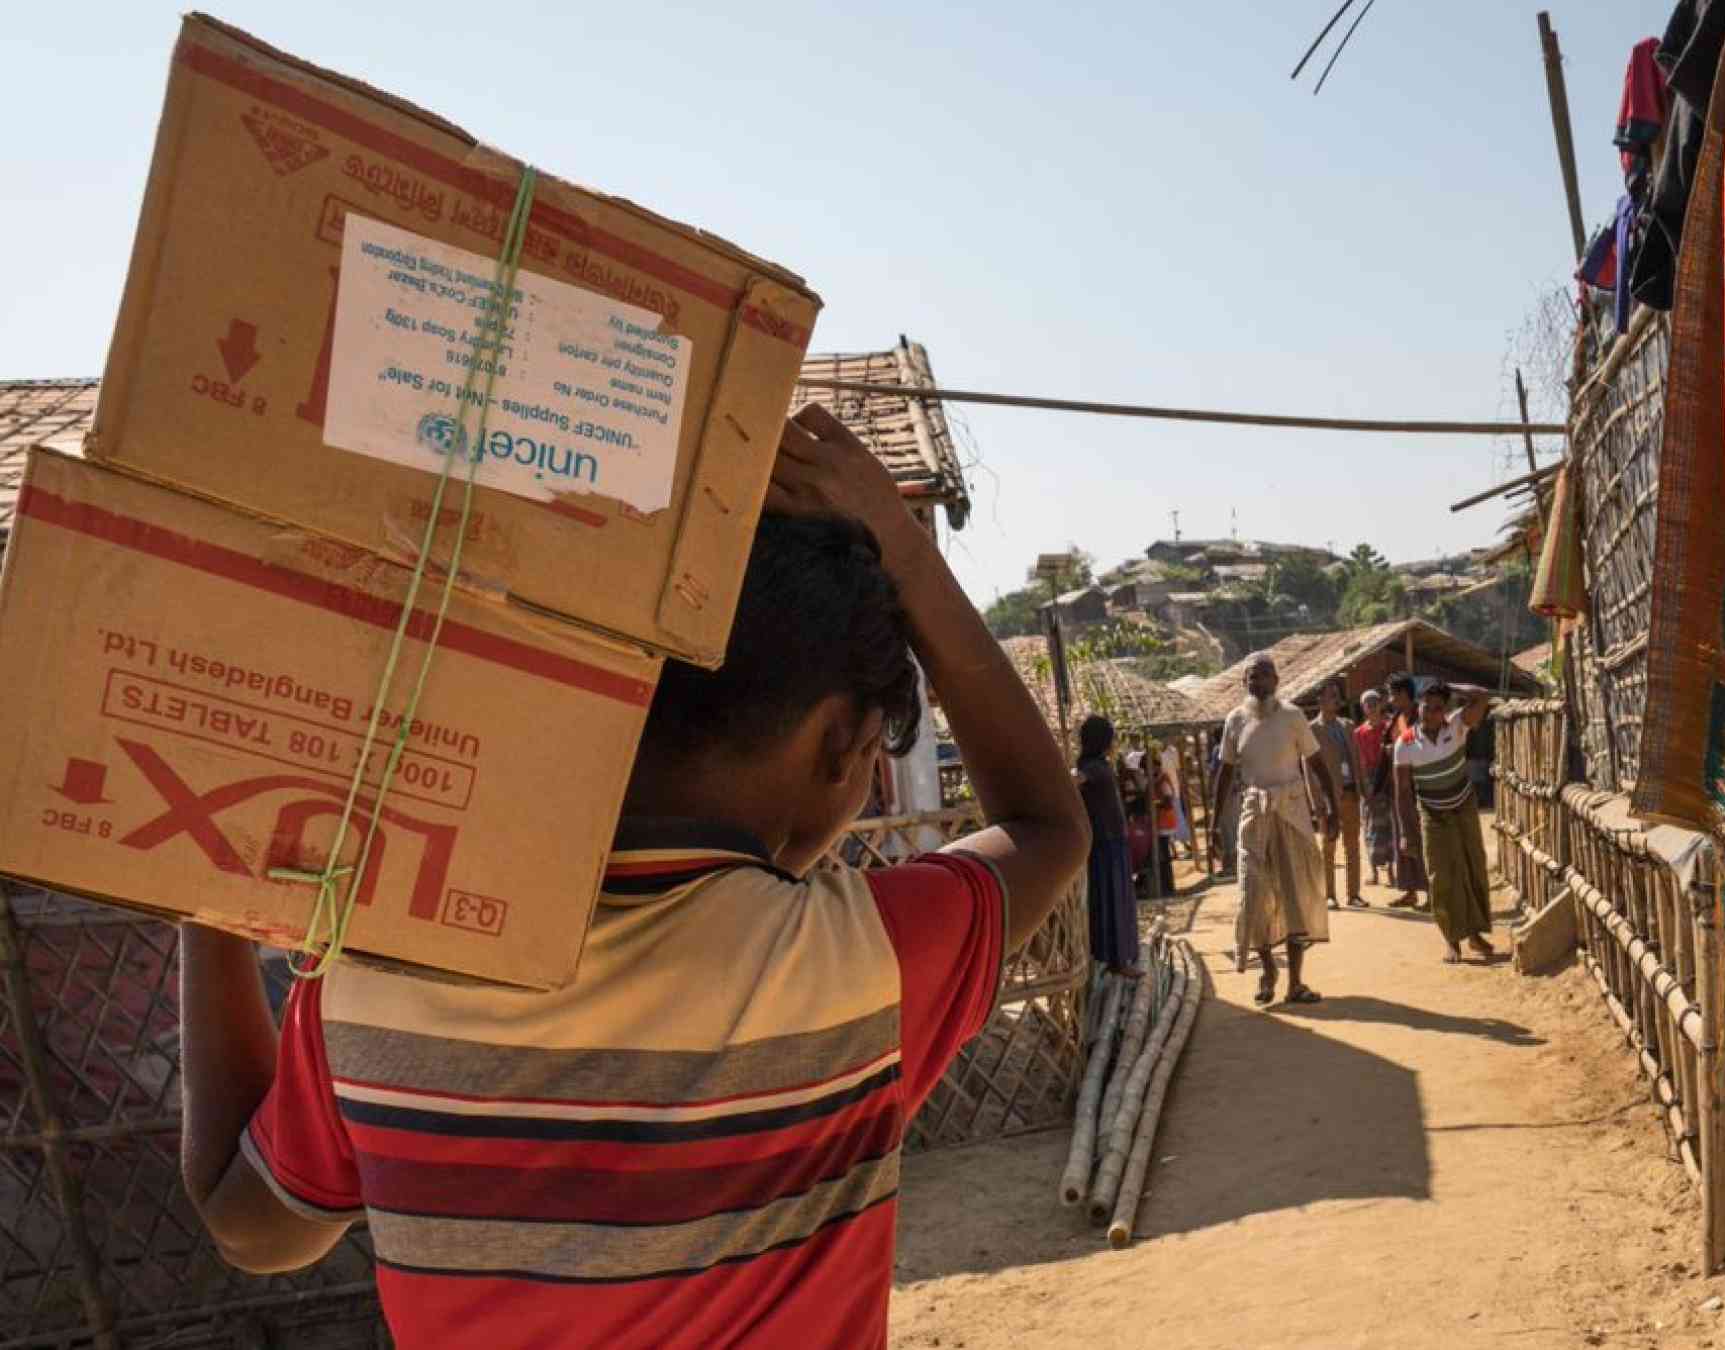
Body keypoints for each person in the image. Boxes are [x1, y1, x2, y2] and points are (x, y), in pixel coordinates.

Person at [175, 406, 1090, 1349]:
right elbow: (1048, 826)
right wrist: (908, 551)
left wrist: (203, 898)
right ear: (841, 744)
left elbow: (252, 1225)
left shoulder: (378, 979)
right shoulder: (856, 966)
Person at [1211, 655, 1339, 1007]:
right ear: (1244, 684)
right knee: (1252, 893)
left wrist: (1331, 808)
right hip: (1253, 815)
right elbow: (1224, 774)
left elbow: (1316, 764)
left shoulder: (1293, 717)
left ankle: (1296, 983)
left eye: (1265, 676)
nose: (1259, 682)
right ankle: (1268, 968)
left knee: (1296, 895)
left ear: (1277, 681)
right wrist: (1213, 824)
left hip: (1292, 813)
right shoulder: (1235, 721)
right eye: (1253, 677)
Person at [1394, 680, 1499, 964]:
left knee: (1472, 867)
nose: (1431, 714)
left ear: (1445, 710)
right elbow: (1403, 792)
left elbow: (1483, 696)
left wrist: (1450, 686)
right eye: (1427, 707)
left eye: (1438, 708)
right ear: (1419, 707)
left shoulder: (1457, 726)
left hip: (1463, 807)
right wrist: (1406, 832)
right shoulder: (1404, 744)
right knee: (1441, 876)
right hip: (1432, 812)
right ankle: (1452, 940)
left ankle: (1475, 934)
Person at [1076, 716, 1140, 976]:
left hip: (1109, 839)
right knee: (1112, 898)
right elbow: (1075, 779)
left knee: (1110, 898)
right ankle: (1116, 960)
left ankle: (1113, 957)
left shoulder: (1099, 765)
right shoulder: (1092, 767)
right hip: (1106, 842)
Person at [1309, 681, 1366, 909]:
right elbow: (1309, 770)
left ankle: (1354, 894)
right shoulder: (1312, 730)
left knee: (1353, 846)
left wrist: (1363, 787)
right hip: (1328, 798)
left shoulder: (1348, 725)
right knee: (1328, 846)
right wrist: (1317, 802)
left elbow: (1357, 759)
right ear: (1320, 700)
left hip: (1351, 792)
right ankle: (1330, 895)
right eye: (1331, 695)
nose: (1336, 699)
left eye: (1337, 695)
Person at [1383, 672, 1428, 910]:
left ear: (1403, 694)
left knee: (1423, 839)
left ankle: (1432, 895)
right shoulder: (1397, 718)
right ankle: (1410, 891)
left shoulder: (1423, 716)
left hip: (1419, 788)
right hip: (1399, 789)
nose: (1390, 699)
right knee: (1403, 839)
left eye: (1393, 694)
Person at [1356, 690, 1394, 887]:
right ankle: (1373, 871)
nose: (1370, 706)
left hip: (1389, 777)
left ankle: (1391, 872)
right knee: (1370, 826)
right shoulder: (1359, 733)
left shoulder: (1390, 727)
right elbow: (1360, 762)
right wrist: (1365, 788)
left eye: (1373, 702)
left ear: (1380, 704)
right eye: (1366, 703)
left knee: (1390, 825)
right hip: (1369, 780)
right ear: (1362, 708)